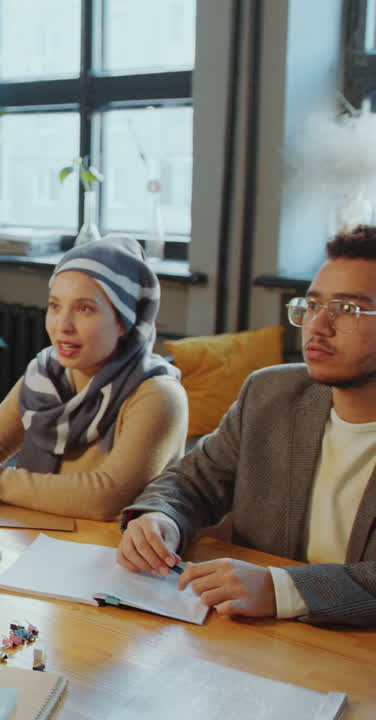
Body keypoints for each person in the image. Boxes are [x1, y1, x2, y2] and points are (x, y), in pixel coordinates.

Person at [117, 226, 376, 627]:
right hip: (250, 642)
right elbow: (192, 481)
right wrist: (160, 518)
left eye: (347, 310)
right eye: (311, 305)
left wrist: (281, 588)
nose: (317, 326)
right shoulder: (271, 393)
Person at [0, 236, 187, 520]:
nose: (62, 325)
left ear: (124, 321)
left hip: (113, 555)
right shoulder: (46, 373)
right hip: (39, 542)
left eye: (85, 309)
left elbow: (105, 498)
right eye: (55, 306)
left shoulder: (158, 395)